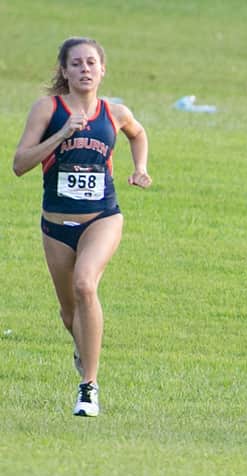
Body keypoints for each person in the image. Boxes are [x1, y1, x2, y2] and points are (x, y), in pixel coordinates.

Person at [11, 37, 151, 417]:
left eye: (91, 63)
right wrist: (61, 135)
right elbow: (20, 164)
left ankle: (88, 388)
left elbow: (138, 134)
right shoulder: (48, 109)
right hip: (56, 225)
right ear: (64, 71)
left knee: (86, 284)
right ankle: (82, 347)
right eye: (76, 64)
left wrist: (140, 169)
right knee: (69, 314)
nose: (84, 69)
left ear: (102, 70)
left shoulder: (115, 112)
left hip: (102, 218)